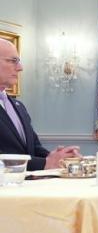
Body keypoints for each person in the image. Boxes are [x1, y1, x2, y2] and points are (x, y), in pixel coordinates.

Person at [0, 38, 80, 170]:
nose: (20, 68)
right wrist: (44, 164)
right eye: (13, 61)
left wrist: (59, 158)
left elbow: (34, 148)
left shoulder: (18, 106)